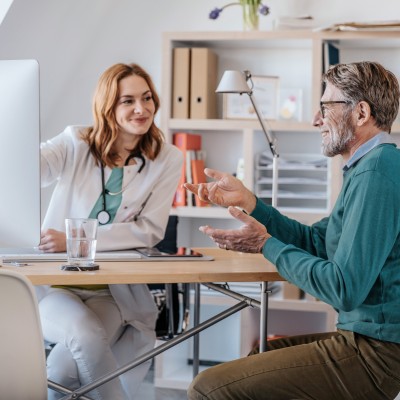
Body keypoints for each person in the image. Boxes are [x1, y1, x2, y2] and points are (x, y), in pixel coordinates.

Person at [185, 61, 400, 400]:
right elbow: (318, 241)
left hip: (376, 355)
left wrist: (266, 245)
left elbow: (343, 289)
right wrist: (251, 203)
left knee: (207, 389)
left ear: (361, 113)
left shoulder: (377, 172)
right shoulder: (367, 168)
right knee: (258, 357)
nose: (317, 119)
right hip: (366, 342)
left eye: (325, 107)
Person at [38, 63, 182, 400]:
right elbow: (31, 167)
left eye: (147, 98)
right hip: (57, 288)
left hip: (113, 293)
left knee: (60, 372)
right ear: (108, 107)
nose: (141, 109)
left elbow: (149, 231)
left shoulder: (166, 158)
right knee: (84, 334)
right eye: (127, 100)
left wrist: (73, 240)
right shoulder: (75, 142)